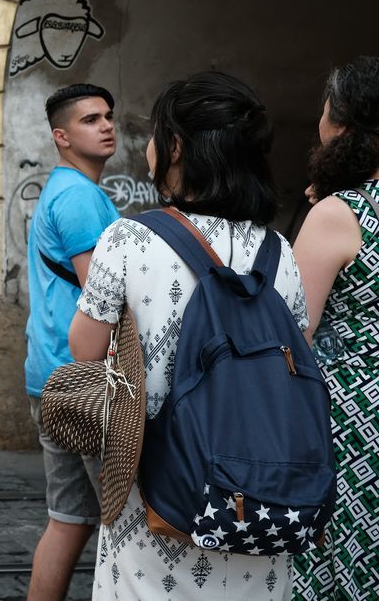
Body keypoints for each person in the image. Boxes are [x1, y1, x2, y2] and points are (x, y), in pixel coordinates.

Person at [69, 71, 307, 599]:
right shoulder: (280, 253)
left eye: (156, 134)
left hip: (156, 493)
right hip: (259, 494)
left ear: (175, 148)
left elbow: (84, 350)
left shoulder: (129, 239)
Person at [23, 83, 119, 600]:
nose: (106, 126)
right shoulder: (81, 197)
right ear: (61, 136)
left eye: (107, 116)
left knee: (70, 519)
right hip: (84, 381)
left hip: (51, 375)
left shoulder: (62, 190)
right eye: (89, 120)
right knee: (125, 521)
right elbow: (101, 294)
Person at [292, 56, 379, 598]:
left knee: (338, 567)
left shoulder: (340, 214)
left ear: (342, 126)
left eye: (325, 111)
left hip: (352, 425)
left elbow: (292, 331)